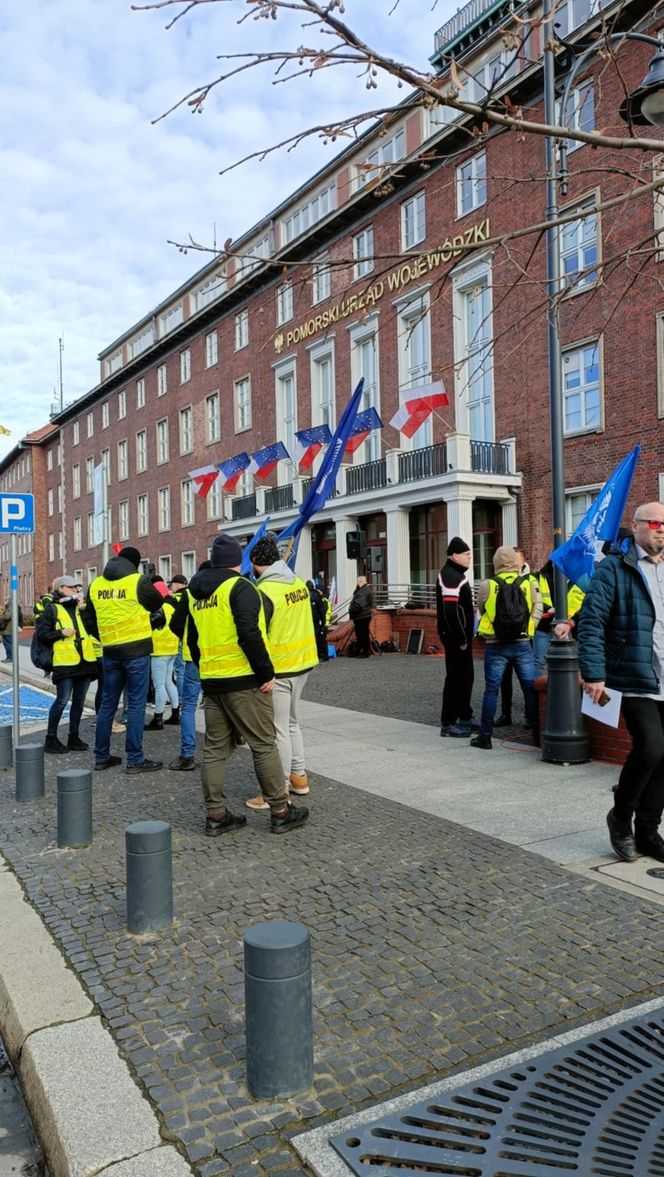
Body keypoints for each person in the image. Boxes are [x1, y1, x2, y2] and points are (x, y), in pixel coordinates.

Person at [186, 532, 309, 835]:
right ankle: (281, 810)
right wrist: (266, 673)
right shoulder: (241, 588)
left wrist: (205, 669)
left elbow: (191, 638)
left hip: (213, 681)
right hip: (243, 680)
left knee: (214, 749)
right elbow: (249, 633)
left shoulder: (195, 592)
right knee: (264, 744)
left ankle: (216, 815)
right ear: (237, 562)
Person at [578, 503, 664, 864]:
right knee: (651, 748)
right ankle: (620, 817)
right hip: (634, 676)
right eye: (657, 522)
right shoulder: (614, 567)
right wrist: (594, 672)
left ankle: (647, 831)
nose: (662, 529)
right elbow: (592, 621)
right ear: (638, 526)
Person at [246, 535, 319, 810]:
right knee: (291, 722)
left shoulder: (263, 592)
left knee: (277, 730)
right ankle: (299, 777)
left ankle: (277, 789)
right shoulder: (297, 583)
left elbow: (257, 632)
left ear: (255, 562)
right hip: (303, 663)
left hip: (279, 668)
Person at [85, 546, 165, 773]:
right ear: (136, 564)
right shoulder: (137, 581)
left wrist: (102, 637)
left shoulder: (96, 584)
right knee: (137, 704)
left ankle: (101, 757)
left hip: (110, 651)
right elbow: (157, 602)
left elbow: (88, 617)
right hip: (136, 652)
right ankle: (135, 759)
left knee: (108, 703)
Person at [471, 545, 541, 750]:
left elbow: (481, 608)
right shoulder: (529, 582)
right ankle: (538, 735)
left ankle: (485, 737)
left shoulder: (487, 585)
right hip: (522, 643)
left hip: (495, 644)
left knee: (491, 690)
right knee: (530, 689)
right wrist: (529, 629)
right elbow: (538, 607)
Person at [40, 576, 99, 753]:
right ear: (60, 588)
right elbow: (42, 635)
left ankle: (74, 736)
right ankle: (51, 738)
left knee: (79, 702)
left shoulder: (80, 607)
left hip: (85, 662)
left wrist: (84, 609)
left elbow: (93, 629)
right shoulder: (52, 609)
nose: (75, 590)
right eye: (72, 587)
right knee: (62, 700)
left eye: (77, 588)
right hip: (65, 663)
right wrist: (60, 633)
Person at [168, 562, 208, 772]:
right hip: (219, 658)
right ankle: (219, 748)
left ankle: (187, 754)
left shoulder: (188, 594)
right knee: (217, 705)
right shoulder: (227, 589)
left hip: (192, 656)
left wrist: (185, 638)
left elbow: (175, 624)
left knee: (189, 706)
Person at [436, 536, 478, 737]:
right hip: (456, 638)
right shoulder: (451, 576)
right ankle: (448, 722)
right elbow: (451, 612)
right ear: (455, 555)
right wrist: (461, 638)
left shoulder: (455, 574)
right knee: (455, 678)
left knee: (466, 676)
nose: (470, 558)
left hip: (461, 636)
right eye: (467, 555)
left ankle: (465, 715)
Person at [494, 547, 538, 726]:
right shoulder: (502, 579)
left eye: (517, 559)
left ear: (523, 561)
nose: (514, 563)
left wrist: (529, 628)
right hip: (504, 637)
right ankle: (506, 713)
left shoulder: (531, 580)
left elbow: (538, 606)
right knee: (505, 680)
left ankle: (530, 715)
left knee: (527, 681)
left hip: (524, 637)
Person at [531, 559, 585, 676]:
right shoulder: (539, 577)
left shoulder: (581, 578)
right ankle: (536, 693)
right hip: (545, 626)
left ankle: (573, 691)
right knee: (539, 661)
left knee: (575, 661)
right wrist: (547, 608)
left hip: (571, 628)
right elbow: (533, 598)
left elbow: (585, 601)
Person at [144, 579, 180, 731]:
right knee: (168, 682)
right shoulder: (171, 607)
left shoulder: (156, 608)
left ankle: (158, 718)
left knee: (159, 685)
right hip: (172, 649)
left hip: (159, 650)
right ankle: (175, 713)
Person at [168, 573, 188, 701]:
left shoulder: (173, 599)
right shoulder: (192, 596)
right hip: (190, 636)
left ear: (176, 585)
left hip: (178, 638)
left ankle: (180, 698)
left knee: (180, 670)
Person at [348, 575, 373, 657]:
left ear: (360, 582)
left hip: (362, 616)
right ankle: (359, 651)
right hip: (362, 616)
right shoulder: (363, 590)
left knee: (363, 634)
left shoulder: (364, 591)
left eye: (358, 582)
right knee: (360, 634)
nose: (357, 584)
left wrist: (352, 610)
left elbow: (360, 604)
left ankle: (365, 652)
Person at [306, 579, 329, 662]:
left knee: (313, 639)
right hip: (317, 620)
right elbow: (322, 611)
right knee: (321, 639)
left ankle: (316, 655)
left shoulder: (305, 596)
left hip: (308, 621)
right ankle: (323, 655)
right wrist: (323, 623)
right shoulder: (318, 596)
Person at [0, 598, 22, 663]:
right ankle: (10, 657)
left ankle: (10, 657)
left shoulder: (11, 607)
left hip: (8, 629)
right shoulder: (10, 607)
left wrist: (2, 616)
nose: (5, 601)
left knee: (8, 644)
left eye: (6, 600)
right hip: (7, 629)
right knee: (8, 643)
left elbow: (7, 616)